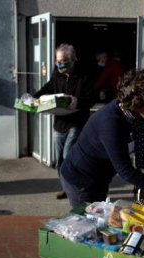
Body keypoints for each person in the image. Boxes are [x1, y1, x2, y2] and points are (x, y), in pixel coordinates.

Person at [60, 69, 144, 211]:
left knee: (100, 219)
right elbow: (125, 170)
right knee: (88, 224)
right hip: (80, 179)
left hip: (101, 176)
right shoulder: (109, 123)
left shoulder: (137, 115)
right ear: (140, 105)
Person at [34, 44, 94, 200]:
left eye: (63, 61)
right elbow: (48, 87)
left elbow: (92, 98)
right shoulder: (57, 74)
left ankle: (75, 188)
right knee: (60, 159)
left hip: (77, 123)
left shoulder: (85, 76)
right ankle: (66, 188)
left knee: (69, 156)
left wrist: (78, 102)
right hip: (59, 123)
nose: (59, 65)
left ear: (72, 61)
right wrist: (34, 97)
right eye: (57, 61)